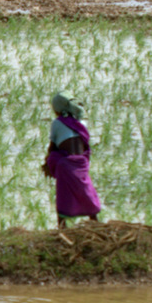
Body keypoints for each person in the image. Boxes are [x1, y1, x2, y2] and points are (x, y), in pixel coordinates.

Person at [42, 94, 102, 225]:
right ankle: (95, 221)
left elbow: (52, 148)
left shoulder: (57, 123)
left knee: (64, 195)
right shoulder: (81, 123)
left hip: (66, 165)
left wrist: (47, 163)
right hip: (81, 163)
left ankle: (62, 225)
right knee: (86, 191)